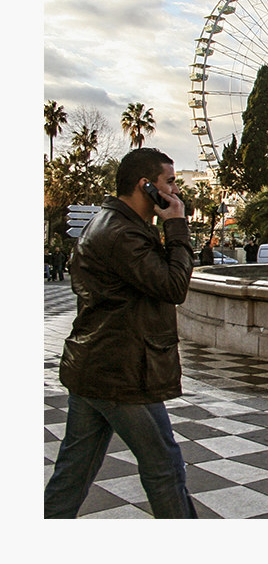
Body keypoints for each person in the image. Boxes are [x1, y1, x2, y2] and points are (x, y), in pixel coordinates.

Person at [44, 147, 197, 519]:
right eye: (170, 183)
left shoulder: (115, 224)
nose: (176, 192)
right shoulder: (121, 234)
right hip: (122, 370)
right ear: (146, 186)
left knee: (74, 472)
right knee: (165, 468)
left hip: (95, 365)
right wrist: (176, 226)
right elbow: (174, 286)